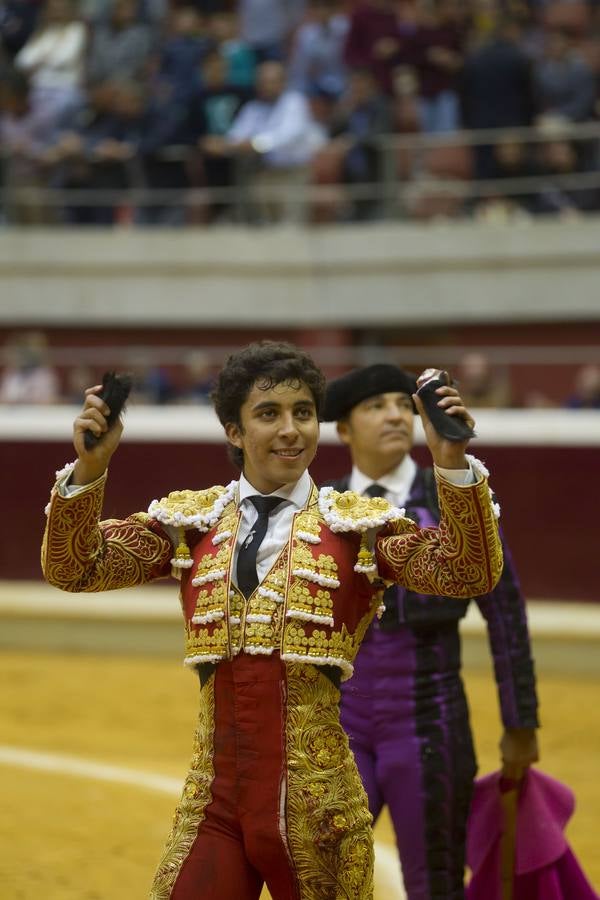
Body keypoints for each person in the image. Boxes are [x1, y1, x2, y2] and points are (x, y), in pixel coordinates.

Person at [41, 341, 503, 900]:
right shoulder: (192, 523)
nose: (291, 430)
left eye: (303, 413)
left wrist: (450, 464)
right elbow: (75, 567)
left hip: (320, 809)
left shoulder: (359, 526)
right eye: (269, 414)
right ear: (234, 432)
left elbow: (467, 573)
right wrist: (92, 466)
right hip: (215, 802)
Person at [322, 363, 539, 900]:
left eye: (403, 404)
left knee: (436, 882)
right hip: (335, 723)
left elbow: (504, 611)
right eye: (376, 406)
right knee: (318, 878)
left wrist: (520, 721)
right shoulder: (316, 508)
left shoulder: (455, 496)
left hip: (430, 720)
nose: (395, 415)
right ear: (344, 430)